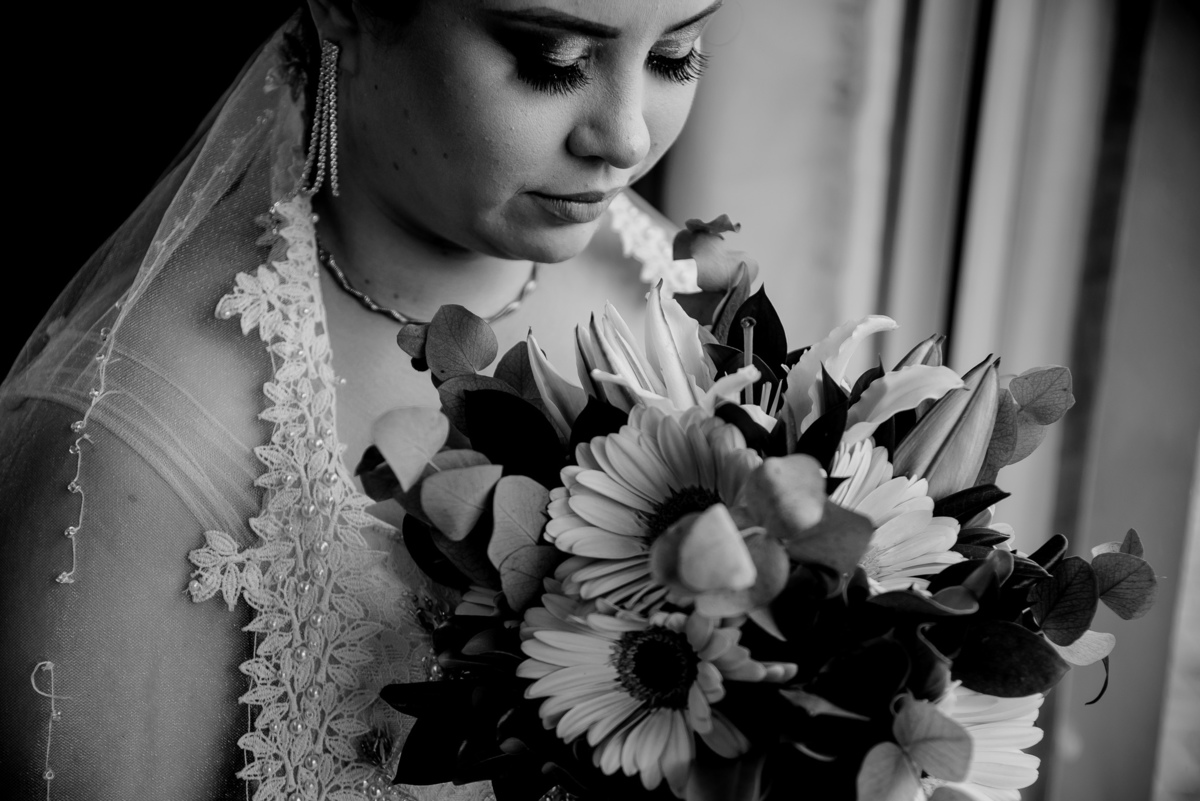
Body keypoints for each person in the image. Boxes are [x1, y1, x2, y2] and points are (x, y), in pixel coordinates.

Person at [0, 1, 740, 798]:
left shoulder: (681, 295)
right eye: (552, 60)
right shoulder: (134, 448)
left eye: (676, 55)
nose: (627, 139)